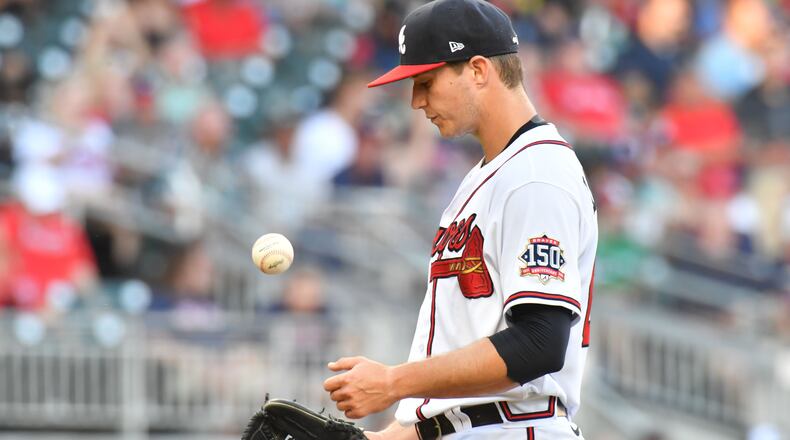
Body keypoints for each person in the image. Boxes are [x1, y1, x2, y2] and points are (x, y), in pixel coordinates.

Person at [323, 1, 598, 439]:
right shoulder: (491, 174)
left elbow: (539, 343)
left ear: (477, 70)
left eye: (426, 82)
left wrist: (394, 382)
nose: (416, 101)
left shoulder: (536, 175)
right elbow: (457, 404)